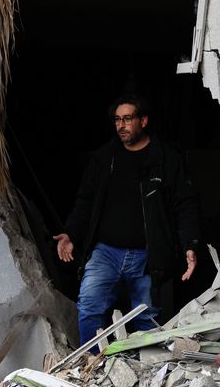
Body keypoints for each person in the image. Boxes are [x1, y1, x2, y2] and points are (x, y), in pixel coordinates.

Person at [54, 94, 200, 346]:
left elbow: (184, 205)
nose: (121, 125)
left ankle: (145, 370)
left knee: (147, 318)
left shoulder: (165, 159)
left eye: (127, 119)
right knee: (89, 306)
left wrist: (190, 243)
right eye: (117, 120)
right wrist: (70, 234)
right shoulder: (104, 159)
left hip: (148, 256)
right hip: (105, 253)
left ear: (143, 121)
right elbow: (85, 203)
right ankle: (91, 365)